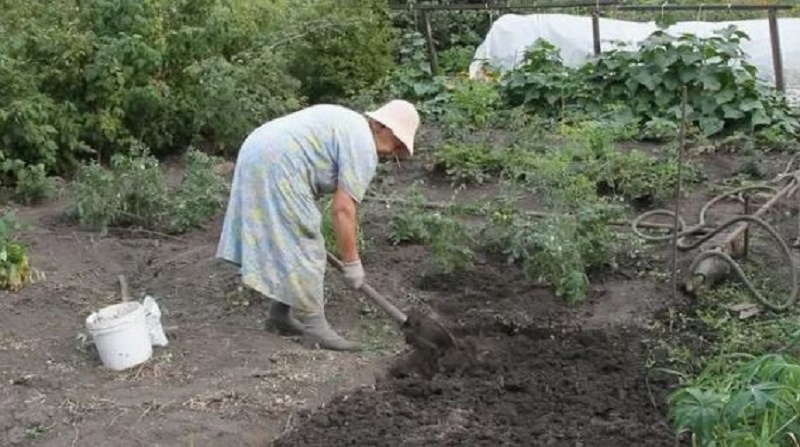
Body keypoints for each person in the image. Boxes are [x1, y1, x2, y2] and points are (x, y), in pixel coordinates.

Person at [216, 100, 420, 352]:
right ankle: (315, 327)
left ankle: (279, 316)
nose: (394, 150)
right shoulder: (362, 143)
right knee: (307, 244)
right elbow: (343, 209)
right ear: (380, 125)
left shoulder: (350, 126)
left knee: (291, 240)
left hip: (259, 150)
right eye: (397, 141)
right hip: (278, 162)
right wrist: (352, 263)